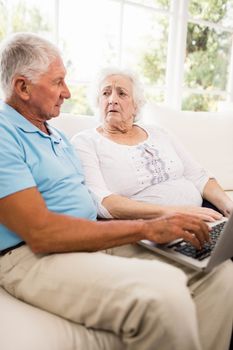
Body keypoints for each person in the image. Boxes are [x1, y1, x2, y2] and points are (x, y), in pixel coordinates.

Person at [0, 33, 232, 350]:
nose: (67, 92)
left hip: (87, 238)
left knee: (219, 276)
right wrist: (150, 225)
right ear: (23, 87)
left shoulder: (52, 134)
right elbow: (41, 232)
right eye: (58, 82)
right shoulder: (4, 134)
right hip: (31, 254)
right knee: (162, 293)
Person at [72, 67, 233, 222]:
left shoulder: (159, 133)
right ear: (98, 102)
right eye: (106, 93)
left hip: (202, 215)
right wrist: (176, 212)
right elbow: (103, 202)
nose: (112, 99)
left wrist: (228, 206)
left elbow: (199, 176)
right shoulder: (85, 142)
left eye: (122, 94)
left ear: (136, 105)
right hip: (153, 226)